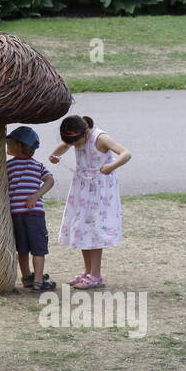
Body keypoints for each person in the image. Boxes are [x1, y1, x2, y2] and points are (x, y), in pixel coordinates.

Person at [48, 115, 130, 290]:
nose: (75, 146)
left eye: (77, 143)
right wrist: (55, 154)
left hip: (100, 190)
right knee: (81, 228)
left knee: (94, 230)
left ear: (85, 133)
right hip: (82, 187)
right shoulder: (76, 137)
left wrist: (111, 167)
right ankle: (87, 272)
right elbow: (65, 145)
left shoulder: (101, 138)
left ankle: (96, 275)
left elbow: (126, 154)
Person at [5, 125, 56, 292]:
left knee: (35, 248)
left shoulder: (36, 165)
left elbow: (49, 180)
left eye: (10, 143)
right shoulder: (8, 166)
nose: (7, 145)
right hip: (20, 215)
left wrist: (36, 196)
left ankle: (37, 280)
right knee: (24, 248)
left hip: (33, 214)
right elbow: (49, 180)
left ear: (19, 146)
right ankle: (29, 278)